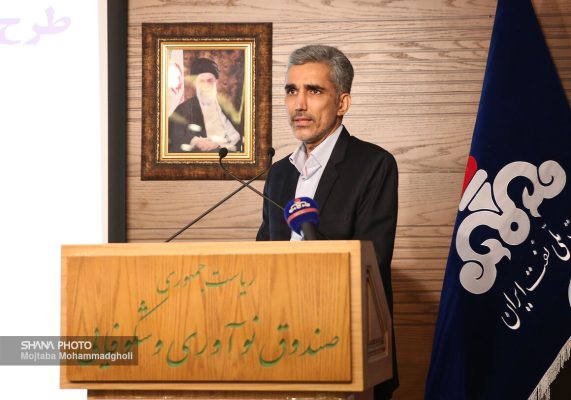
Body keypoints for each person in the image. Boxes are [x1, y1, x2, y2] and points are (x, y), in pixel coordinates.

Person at [256, 45, 399, 399]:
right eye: (292, 91)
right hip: (278, 345)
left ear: (342, 103)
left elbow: (372, 263)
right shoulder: (279, 173)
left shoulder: (373, 165)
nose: (299, 104)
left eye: (314, 91)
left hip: (346, 345)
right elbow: (261, 256)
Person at [168, 57, 242, 153]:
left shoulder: (228, 107)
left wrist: (219, 143)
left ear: (216, 82)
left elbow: (238, 134)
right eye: (201, 81)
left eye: (210, 81)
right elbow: (174, 135)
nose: (206, 86)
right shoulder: (183, 109)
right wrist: (195, 141)